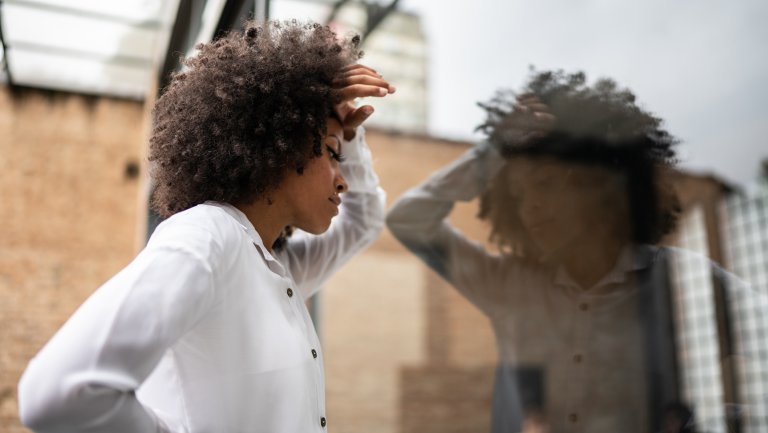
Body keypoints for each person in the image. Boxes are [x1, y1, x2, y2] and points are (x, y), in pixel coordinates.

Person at [18, 20, 394, 433]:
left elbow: (365, 220)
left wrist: (349, 137)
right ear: (277, 141)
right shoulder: (209, 237)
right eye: (331, 153)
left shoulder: (275, 267)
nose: (343, 179)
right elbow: (60, 391)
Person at [386, 69, 687, 433]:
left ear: (597, 185)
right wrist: (493, 150)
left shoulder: (676, 281)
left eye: (544, 184)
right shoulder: (509, 284)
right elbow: (407, 219)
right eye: (518, 195)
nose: (531, 208)